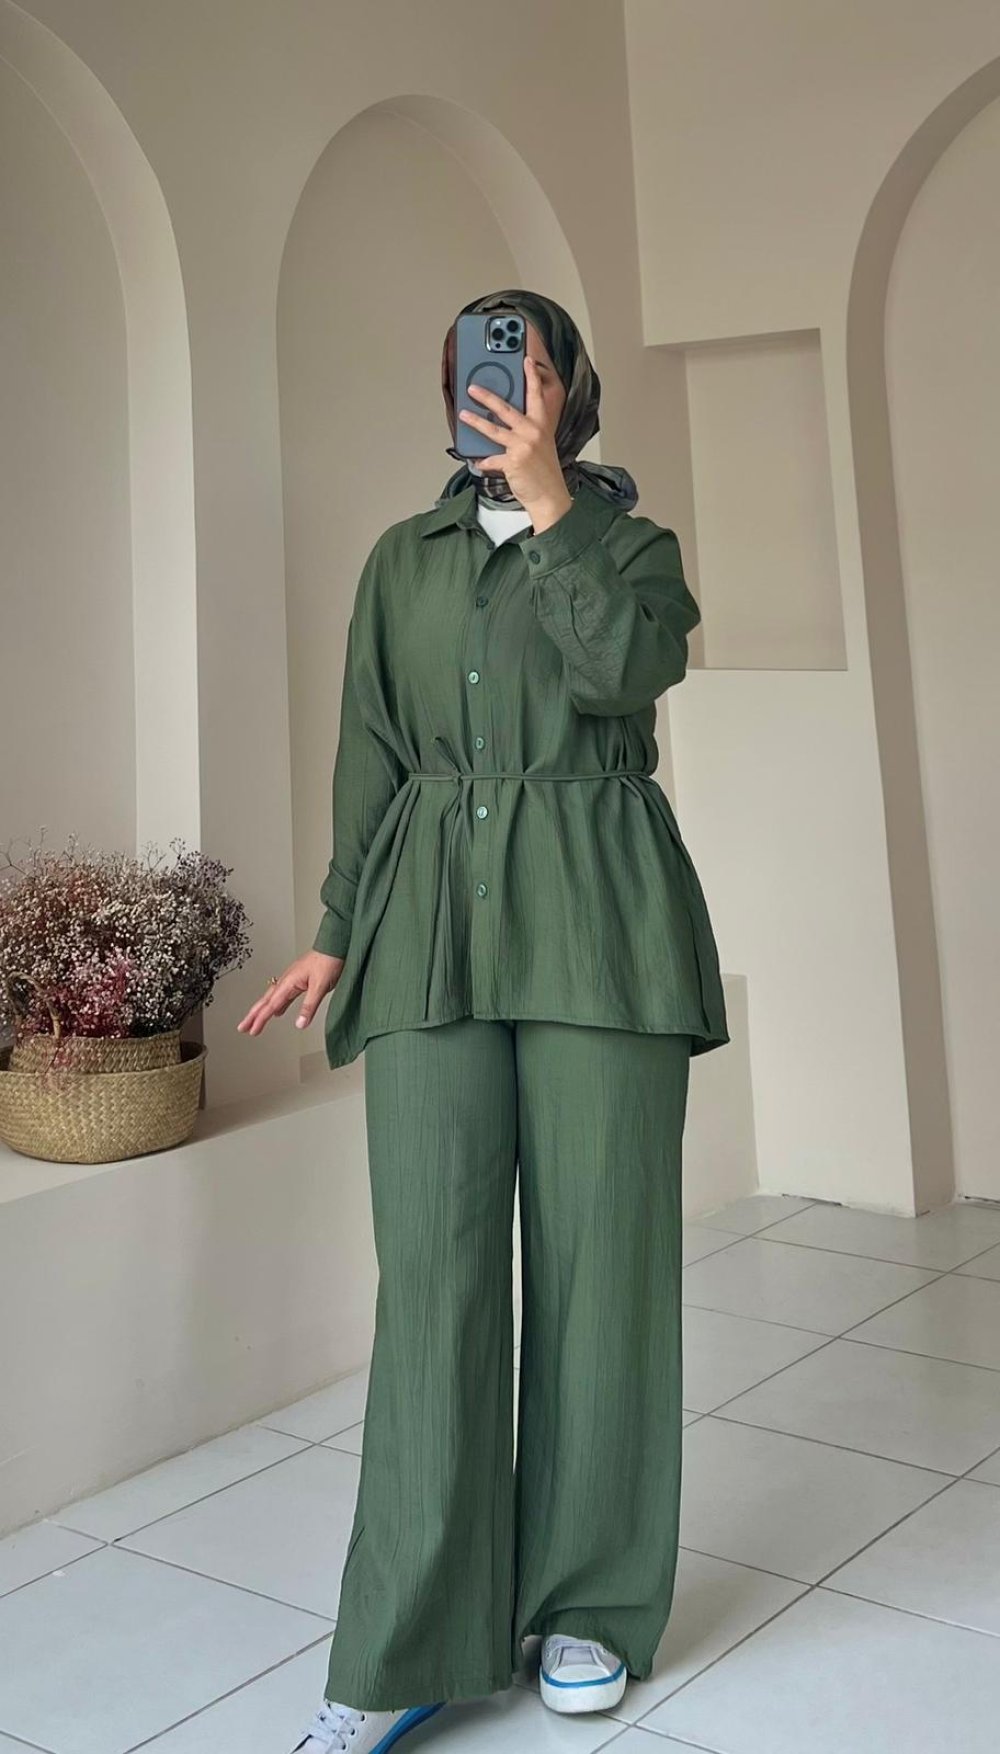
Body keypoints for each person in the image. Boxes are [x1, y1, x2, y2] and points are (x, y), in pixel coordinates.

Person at [238, 288, 729, 1754]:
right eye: (471, 363)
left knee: (601, 1272)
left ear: (568, 386)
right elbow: (371, 752)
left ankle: (589, 1605)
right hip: (430, 930)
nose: (495, 383)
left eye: (522, 360)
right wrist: (337, 930)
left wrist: (553, 502)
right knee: (436, 1279)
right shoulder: (402, 560)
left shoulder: (632, 548)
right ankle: (408, 1640)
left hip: (600, 926)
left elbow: (623, 672)